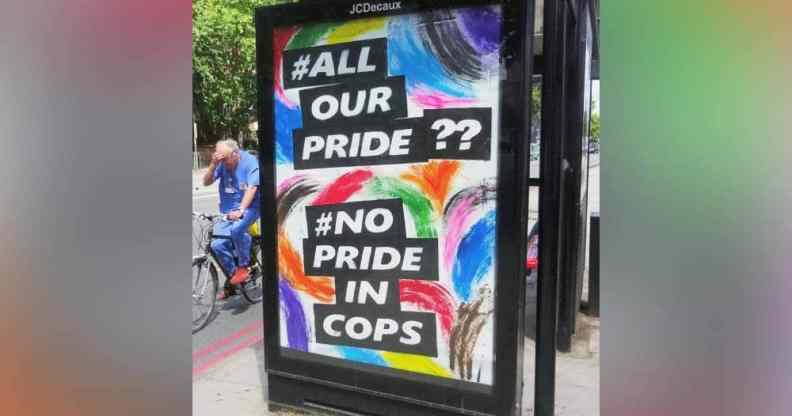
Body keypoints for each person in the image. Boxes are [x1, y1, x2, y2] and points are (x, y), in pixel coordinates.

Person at [202, 139, 260, 299]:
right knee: (216, 244)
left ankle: (243, 266)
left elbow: (252, 187)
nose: (224, 163)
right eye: (220, 159)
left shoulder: (250, 162)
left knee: (237, 230)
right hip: (227, 212)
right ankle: (233, 280)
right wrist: (213, 164)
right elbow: (206, 182)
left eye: (226, 159)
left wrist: (241, 210)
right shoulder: (221, 163)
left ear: (236, 154)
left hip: (250, 208)